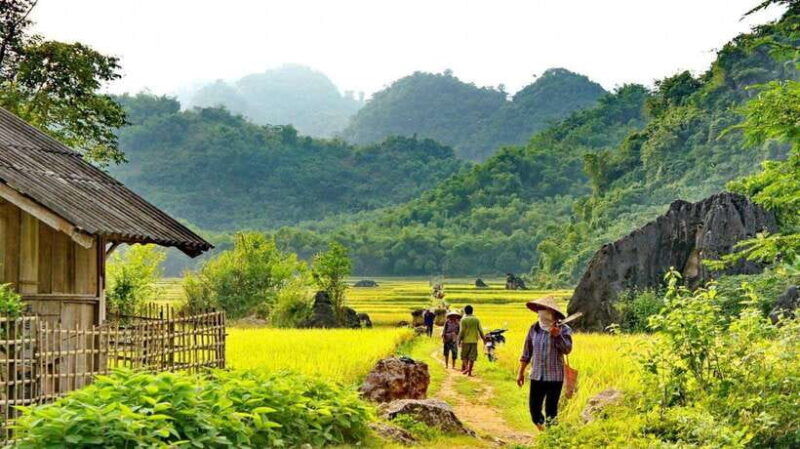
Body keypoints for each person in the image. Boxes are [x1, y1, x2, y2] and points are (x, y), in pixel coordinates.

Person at [516, 296, 573, 431]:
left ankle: (551, 438)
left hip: (554, 377)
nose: (542, 312)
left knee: (551, 411)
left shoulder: (564, 329)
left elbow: (567, 349)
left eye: (545, 309)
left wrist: (557, 336)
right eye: (540, 309)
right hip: (537, 375)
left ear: (552, 312)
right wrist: (520, 373)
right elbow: (527, 352)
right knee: (534, 411)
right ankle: (544, 432)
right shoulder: (534, 329)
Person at [458, 305, 484, 376]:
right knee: (472, 357)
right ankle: (469, 372)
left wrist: (459, 340)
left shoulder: (463, 320)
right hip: (474, 341)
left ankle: (466, 368)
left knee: (464, 356)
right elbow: (480, 331)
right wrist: (484, 339)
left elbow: (461, 331)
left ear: (465, 311)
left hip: (465, 341)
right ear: (472, 311)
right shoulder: (476, 319)